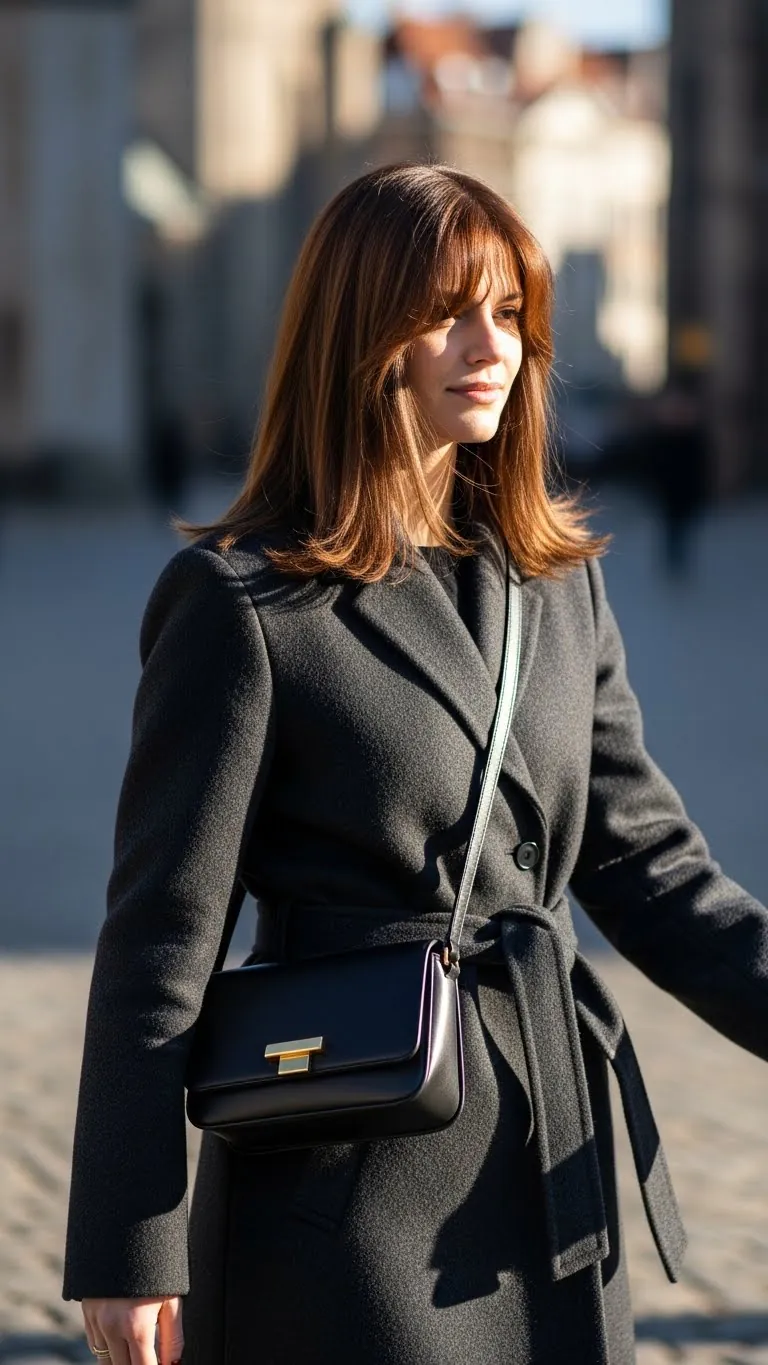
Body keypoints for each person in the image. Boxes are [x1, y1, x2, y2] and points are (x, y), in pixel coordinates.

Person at [62, 164, 768, 1365]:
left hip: (549, 1165)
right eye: (449, 311)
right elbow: (159, 943)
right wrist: (130, 1243)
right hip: (344, 1180)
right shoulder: (244, 603)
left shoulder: (556, 585)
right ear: (360, 331)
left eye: (510, 312)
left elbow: (645, 860)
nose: (490, 344)